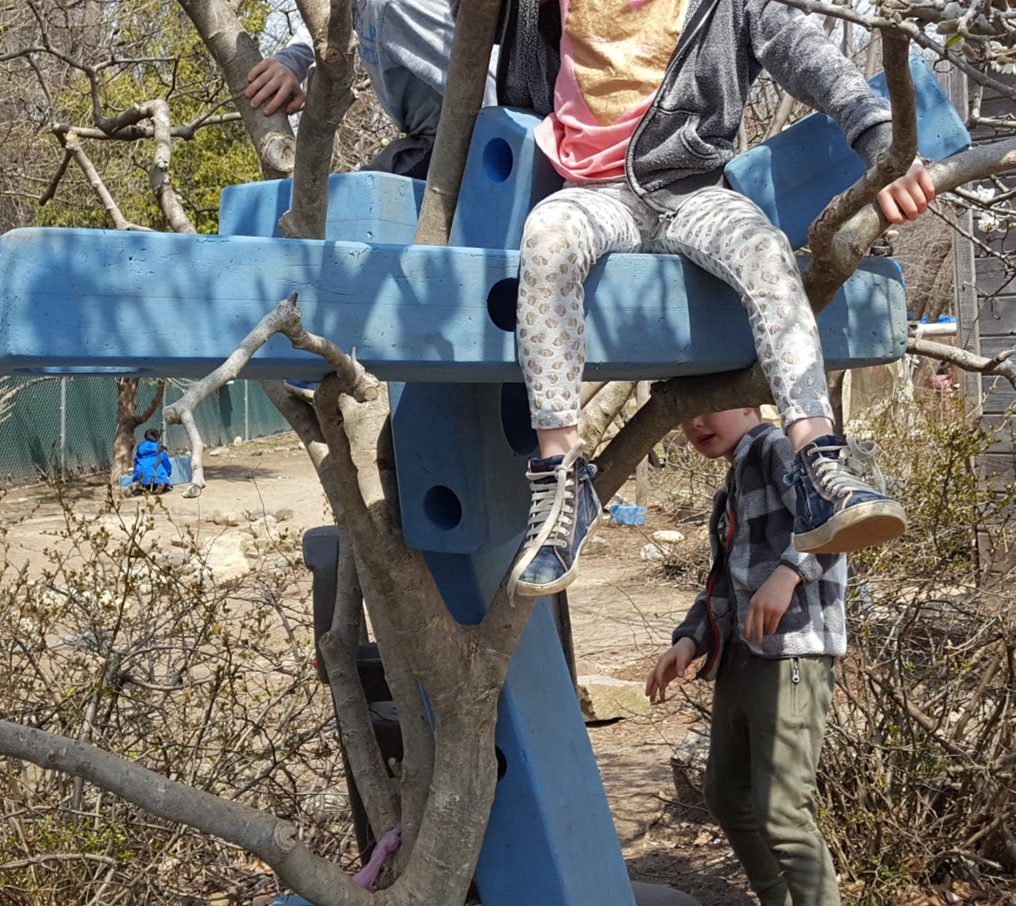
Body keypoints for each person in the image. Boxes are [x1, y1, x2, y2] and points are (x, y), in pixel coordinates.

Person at [499, 0, 936, 597]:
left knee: (764, 249)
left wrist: (881, 137)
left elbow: (804, 52)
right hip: (593, 193)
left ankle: (817, 462)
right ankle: (561, 483)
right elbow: (513, 77)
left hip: (692, 190)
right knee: (547, 240)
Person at [646, 406, 853, 906]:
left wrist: (789, 574)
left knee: (782, 812)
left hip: (791, 655)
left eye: (709, 408)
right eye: (685, 415)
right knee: (726, 794)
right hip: (741, 655)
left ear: (747, 405)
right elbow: (722, 582)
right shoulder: (732, 485)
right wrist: (689, 640)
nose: (694, 423)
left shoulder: (779, 448)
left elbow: (841, 517)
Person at [245, 0, 497, 180]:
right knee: (355, 196)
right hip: (427, 140)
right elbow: (331, 19)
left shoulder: (396, 7)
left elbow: (491, 84)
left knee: (356, 207)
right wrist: (291, 62)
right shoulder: (358, 5)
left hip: (471, 144)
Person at [131, 428, 173, 495]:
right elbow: (166, 464)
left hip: (140, 475)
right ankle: (161, 484)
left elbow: (136, 463)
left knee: (141, 480)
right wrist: (168, 474)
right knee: (161, 477)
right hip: (156, 475)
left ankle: (137, 485)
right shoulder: (159, 450)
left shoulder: (139, 450)